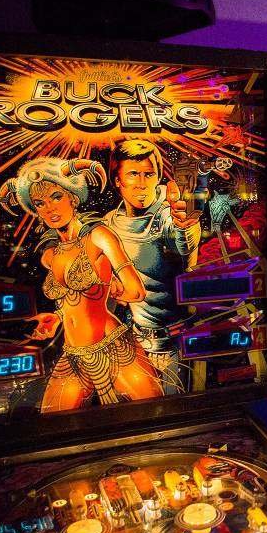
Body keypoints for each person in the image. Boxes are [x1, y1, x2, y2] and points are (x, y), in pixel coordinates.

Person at [0, 157, 163, 411]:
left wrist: (114, 288)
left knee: (154, 416)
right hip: (74, 354)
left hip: (113, 346)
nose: (49, 208)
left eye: (56, 197)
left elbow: (135, 289)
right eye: (40, 203)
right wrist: (57, 316)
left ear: (73, 197)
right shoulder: (51, 253)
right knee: (54, 424)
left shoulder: (98, 236)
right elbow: (71, 301)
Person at [104, 139, 202, 393]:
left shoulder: (167, 213)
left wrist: (185, 223)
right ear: (117, 180)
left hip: (176, 340)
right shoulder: (110, 223)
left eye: (149, 174)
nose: (142, 183)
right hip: (135, 339)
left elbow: (183, 243)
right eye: (133, 174)